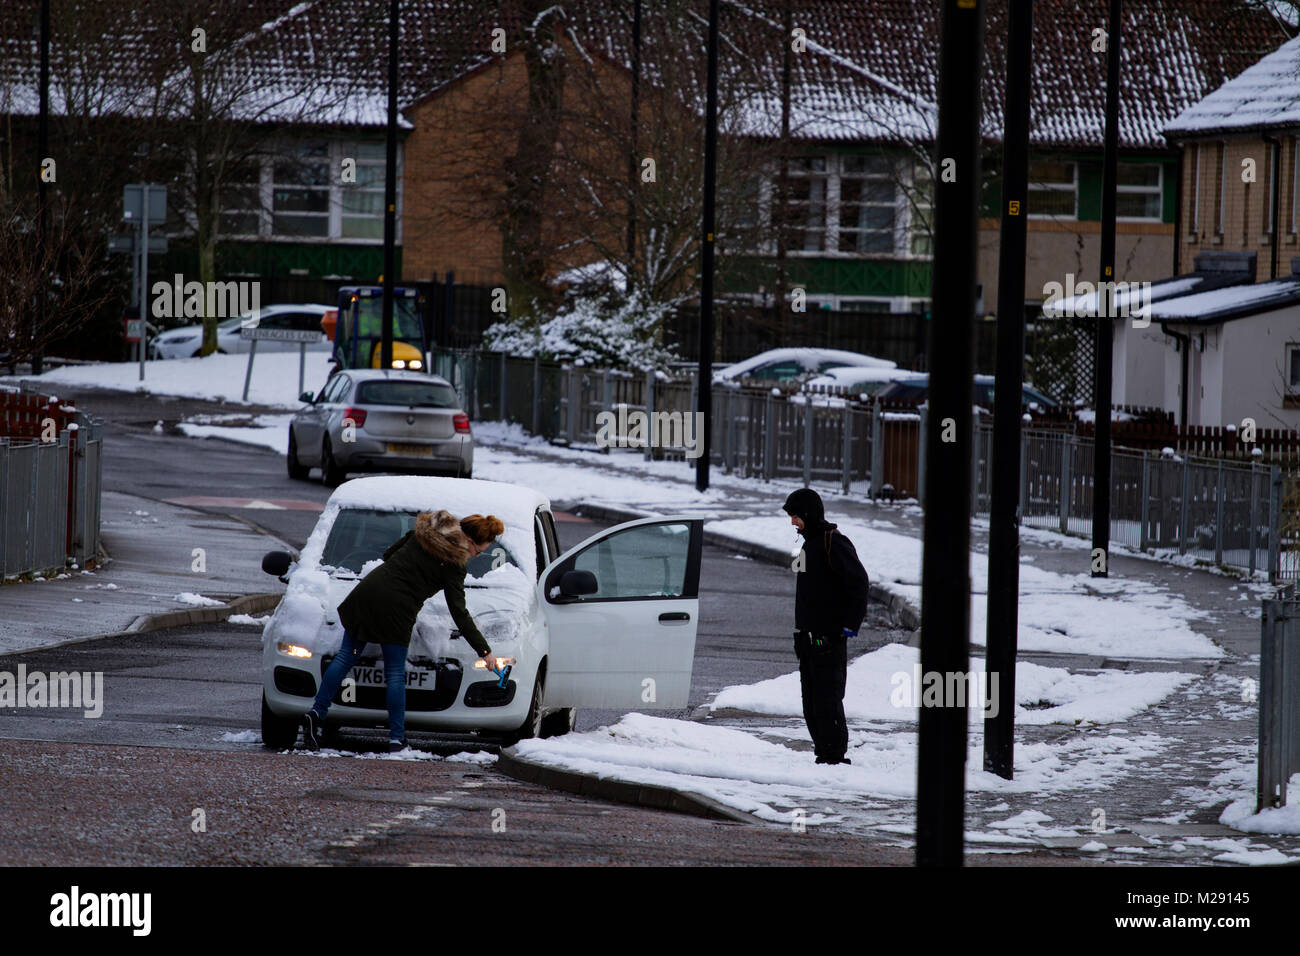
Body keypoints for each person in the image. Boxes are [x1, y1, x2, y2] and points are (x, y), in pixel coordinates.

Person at [300, 510, 505, 753]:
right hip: (396, 610)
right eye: (478, 551)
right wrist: (485, 651)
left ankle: (316, 713)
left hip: (367, 594)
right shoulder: (454, 566)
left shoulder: (423, 534)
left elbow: (389, 554)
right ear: (469, 541)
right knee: (395, 674)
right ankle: (397, 739)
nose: (475, 556)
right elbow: (459, 613)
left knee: (347, 656)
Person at [782, 488, 869, 765]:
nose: (793, 522)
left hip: (828, 638)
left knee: (827, 696)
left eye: (795, 516)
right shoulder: (809, 544)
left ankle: (833, 755)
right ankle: (823, 751)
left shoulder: (835, 543)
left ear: (808, 514)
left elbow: (859, 583)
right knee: (811, 698)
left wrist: (848, 627)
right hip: (808, 638)